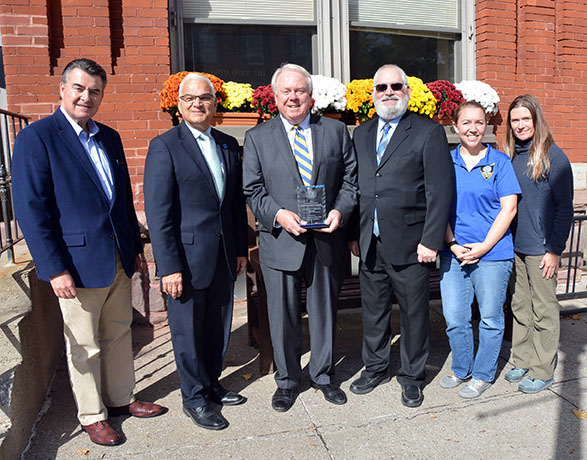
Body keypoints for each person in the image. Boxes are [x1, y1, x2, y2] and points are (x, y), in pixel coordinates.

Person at [11, 58, 164, 447]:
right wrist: (53, 267)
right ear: (62, 89)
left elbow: (122, 199)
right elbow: (31, 209)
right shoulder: (39, 137)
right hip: (74, 265)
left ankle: (120, 399)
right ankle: (93, 415)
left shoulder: (109, 136)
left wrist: (132, 248)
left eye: (94, 91)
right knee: (84, 343)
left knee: (117, 333)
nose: (86, 96)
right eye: (79, 88)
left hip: (115, 255)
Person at [243, 63, 358, 412]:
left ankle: (323, 375)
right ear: (275, 97)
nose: (293, 97)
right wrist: (278, 214)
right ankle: (288, 381)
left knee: (324, 311)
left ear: (311, 97)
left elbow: (351, 181)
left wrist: (340, 211)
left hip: (326, 239)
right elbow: (252, 188)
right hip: (282, 238)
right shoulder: (258, 138)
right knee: (282, 314)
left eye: (300, 91)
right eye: (286, 92)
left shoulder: (335, 132)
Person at [144, 73, 248, 430]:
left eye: (204, 98)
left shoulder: (227, 144)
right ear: (179, 104)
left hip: (222, 257)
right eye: (189, 99)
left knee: (218, 328)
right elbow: (160, 213)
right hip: (185, 262)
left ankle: (212, 384)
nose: (197, 104)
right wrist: (168, 267)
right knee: (187, 332)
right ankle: (194, 397)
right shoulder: (165, 146)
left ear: (215, 103)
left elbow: (233, 205)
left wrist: (239, 251)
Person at [349, 64, 454, 407]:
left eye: (396, 86)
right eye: (382, 87)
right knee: (374, 312)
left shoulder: (427, 132)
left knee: (413, 315)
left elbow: (440, 191)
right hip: (370, 242)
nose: (388, 92)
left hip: (412, 244)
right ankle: (376, 367)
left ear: (407, 92)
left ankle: (412, 376)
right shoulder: (361, 133)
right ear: (373, 93)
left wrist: (431, 240)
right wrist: (354, 233)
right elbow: (356, 189)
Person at [438, 101, 520, 398]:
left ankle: (483, 373)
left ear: (486, 126)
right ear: (456, 127)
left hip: (493, 255)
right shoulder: (445, 162)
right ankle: (461, 368)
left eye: (479, 122)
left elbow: (508, 209)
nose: (473, 128)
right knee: (455, 317)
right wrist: (453, 244)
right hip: (454, 254)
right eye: (466, 123)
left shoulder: (499, 162)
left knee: (489, 317)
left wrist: (484, 247)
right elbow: (439, 209)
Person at [503, 94, 574, 394]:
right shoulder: (510, 156)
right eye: (515, 120)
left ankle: (543, 368)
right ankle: (522, 359)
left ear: (536, 121)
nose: (520, 125)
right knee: (519, 306)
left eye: (525, 119)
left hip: (541, 249)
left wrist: (555, 250)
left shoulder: (553, 157)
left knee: (544, 309)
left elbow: (564, 208)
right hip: (514, 247)